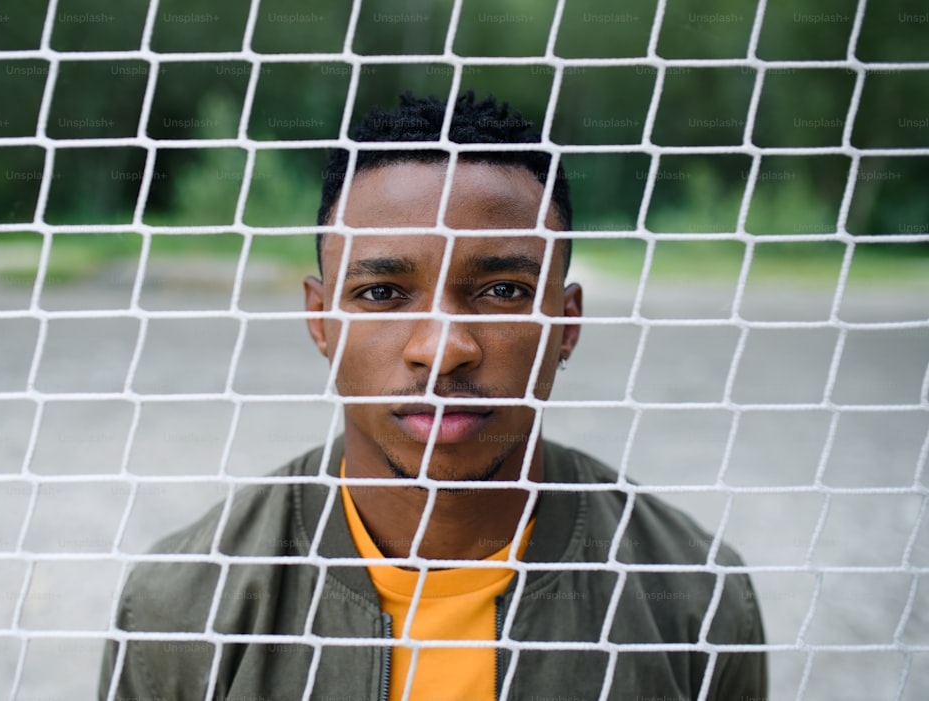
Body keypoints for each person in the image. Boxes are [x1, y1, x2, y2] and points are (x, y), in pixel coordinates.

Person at [100, 91, 767, 700]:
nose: (442, 348)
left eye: (502, 289)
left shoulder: (693, 597)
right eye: (382, 293)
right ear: (321, 319)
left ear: (566, 325)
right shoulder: (182, 603)